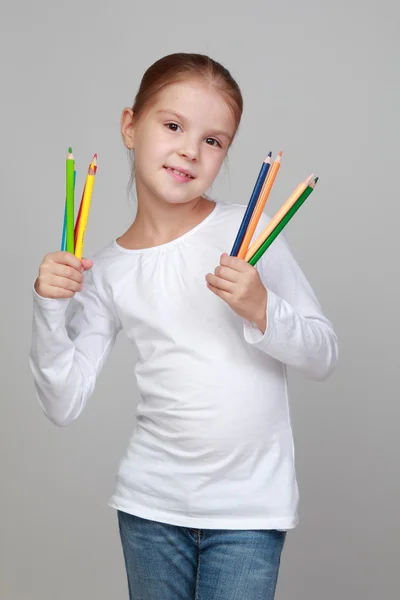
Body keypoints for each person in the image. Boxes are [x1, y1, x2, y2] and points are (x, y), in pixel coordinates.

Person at [29, 52, 338, 600]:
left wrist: (262, 306)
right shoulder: (107, 271)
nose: (191, 150)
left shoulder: (250, 234)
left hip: (248, 510)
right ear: (130, 125)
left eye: (214, 140)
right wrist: (50, 309)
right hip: (150, 509)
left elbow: (322, 356)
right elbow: (62, 403)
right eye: (173, 126)